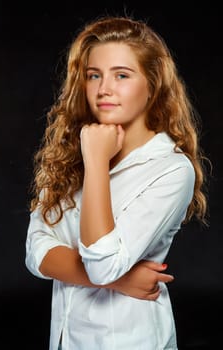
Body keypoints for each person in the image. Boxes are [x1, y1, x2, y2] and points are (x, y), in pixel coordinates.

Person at [25, 15, 208, 350]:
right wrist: (121, 281)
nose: (104, 89)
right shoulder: (68, 153)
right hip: (66, 339)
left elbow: (102, 264)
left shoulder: (170, 169)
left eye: (121, 75)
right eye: (94, 75)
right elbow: (36, 253)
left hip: (127, 339)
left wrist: (96, 161)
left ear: (152, 85)